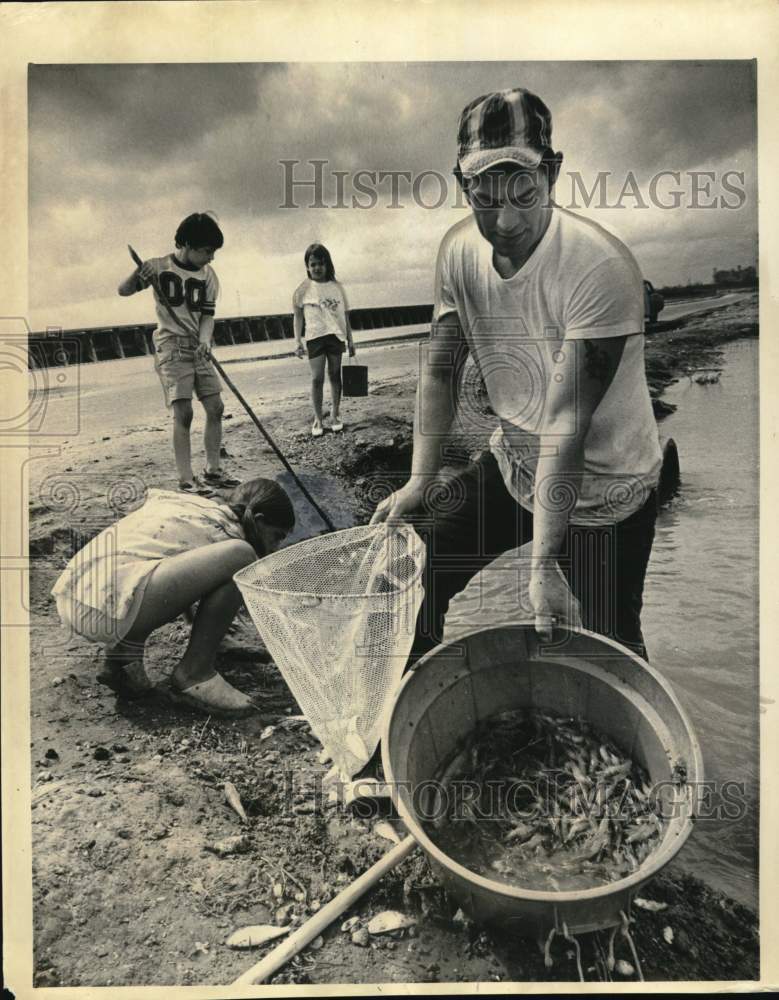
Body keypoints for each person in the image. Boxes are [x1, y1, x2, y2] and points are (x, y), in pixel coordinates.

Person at [372, 88, 663, 661]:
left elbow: (566, 422)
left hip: (608, 490)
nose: (504, 222)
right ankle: (404, 719)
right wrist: (419, 478)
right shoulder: (457, 252)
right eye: (483, 197)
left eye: (522, 193)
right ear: (462, 185)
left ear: (551, 173)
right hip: (514, 464)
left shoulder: (598, 266)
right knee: (415, 582)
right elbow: (439, 369)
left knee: (610, 650)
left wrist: (545, 565)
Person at [51, 478, 295, 716]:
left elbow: (185, 572)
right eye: (277, 537)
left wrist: (214, 637)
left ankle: (124, 658)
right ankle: (194, 673)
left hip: (75, 593)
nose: (275, 549)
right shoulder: (231, 536)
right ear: (259, 520)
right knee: (242, 555)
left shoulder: (199, 509)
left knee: (145, 564)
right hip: (103, 610)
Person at [118, 212, 239, 496]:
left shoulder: (209, 275)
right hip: (171, 344)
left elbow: (208, 316)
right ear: (187, 243)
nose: (212, 257)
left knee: (216, 407)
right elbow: (123, 291)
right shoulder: (157, 268)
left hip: (199, 345)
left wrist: (206, 341)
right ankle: (186, 479)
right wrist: (138, 274)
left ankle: (213, 471)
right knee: (183, 412)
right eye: (207, 251)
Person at [292, 243, 356, 436]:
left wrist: (351, 341)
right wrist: (297, 341)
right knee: (316, 378)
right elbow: (297, 316)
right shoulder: (302, 289)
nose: (317, 268)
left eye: (321, 263)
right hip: (314, 337)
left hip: (336, 336)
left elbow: (345, 315)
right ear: (307, 266)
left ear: (327, 264)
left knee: (335, 375)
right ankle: (318, 419)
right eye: (313, 264)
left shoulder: (337, 287)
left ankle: (335, 414)